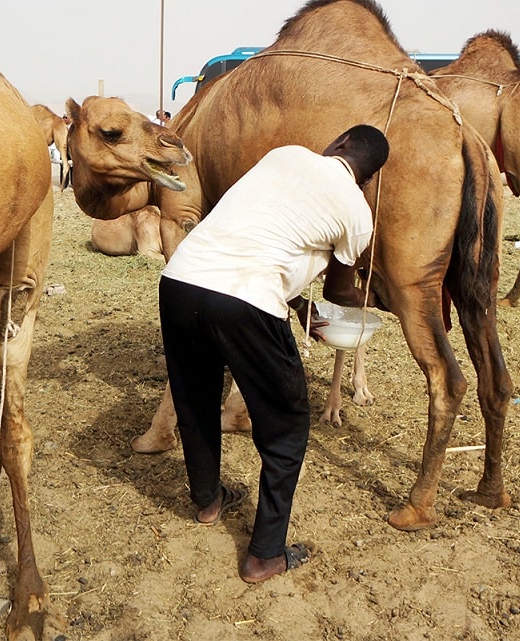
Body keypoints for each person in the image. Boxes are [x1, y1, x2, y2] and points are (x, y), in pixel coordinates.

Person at [159, 124, 390, 583]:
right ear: (366, 177)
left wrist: (297, 303)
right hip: (247, 297)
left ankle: (207, 500)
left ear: (339, 143)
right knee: (287, 424)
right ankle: (265, 554)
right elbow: (341, 289)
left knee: (195, 397)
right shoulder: (358, 212)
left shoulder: (285, 154)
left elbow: (257, 233)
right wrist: (338, 303)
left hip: (182, 279)